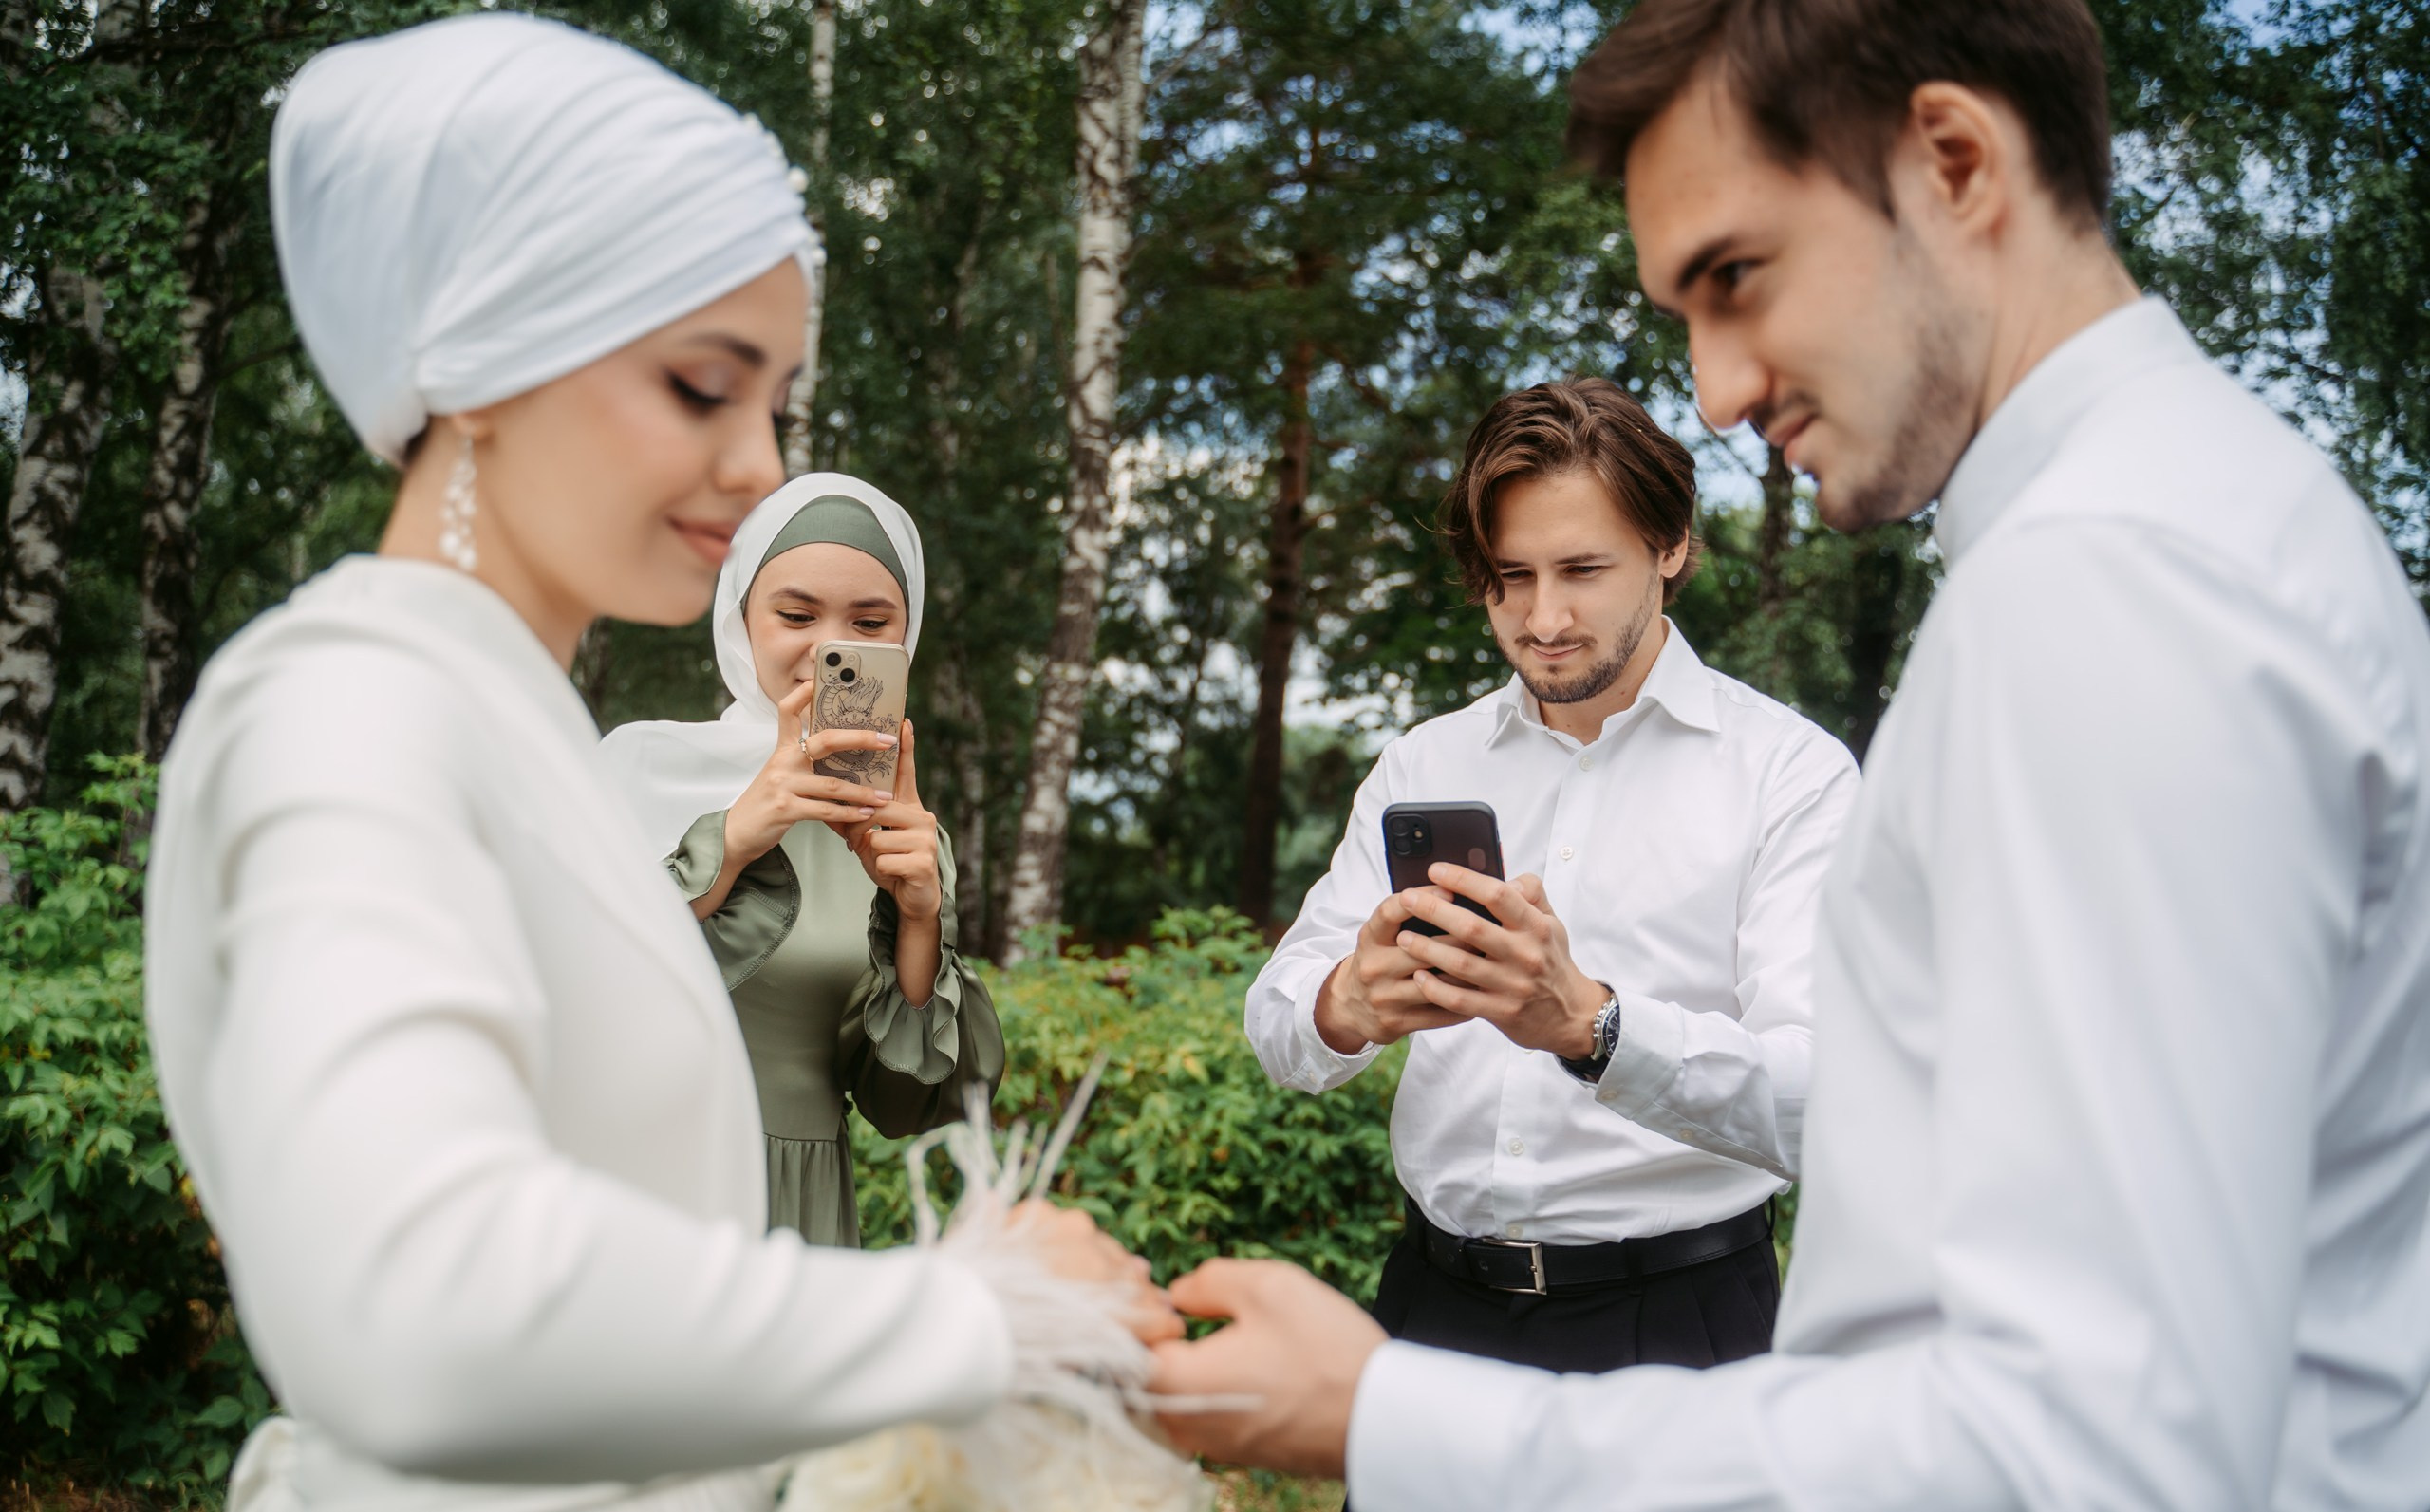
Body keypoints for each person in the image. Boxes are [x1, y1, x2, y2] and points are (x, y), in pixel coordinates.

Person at [1150, 0, 2430, 1505]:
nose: (1719, 390)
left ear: (1955, 160)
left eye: (1738, 277)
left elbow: (2089, 1442)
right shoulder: (2188, 519)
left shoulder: (2107, 588)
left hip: (1686, 1326)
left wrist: (1387, 1419)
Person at [142, 16, 1169, 1512]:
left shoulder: (517, 732)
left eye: (774, 399)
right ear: (480, 358)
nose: (761, 464)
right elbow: (417, 1311)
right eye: (703, 384)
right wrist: (979, 1313)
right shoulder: (348, 707)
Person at [1243, 377, 1857, 1375]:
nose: (1542, 617)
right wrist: (1344, 1002)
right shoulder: (1423, 764)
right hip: (1432, 1315)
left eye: (1581, 569)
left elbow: (1823, 1095)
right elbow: (1278, 1027)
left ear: (1671, 547)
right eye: (1508, 575)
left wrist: (1593, 1025)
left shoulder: (1790, 775)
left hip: (1681, 1331)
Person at [600, 475, 1002, 1245]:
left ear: (906, 639)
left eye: (869, 621)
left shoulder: (899, 835)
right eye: (794, 613)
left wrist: (917, 919)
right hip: (624, 1194)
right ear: (738, 617)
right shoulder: (639, 769)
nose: (827, 647)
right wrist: (732, 838)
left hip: (796, 1220)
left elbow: (904, 1106)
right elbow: (564, 982)